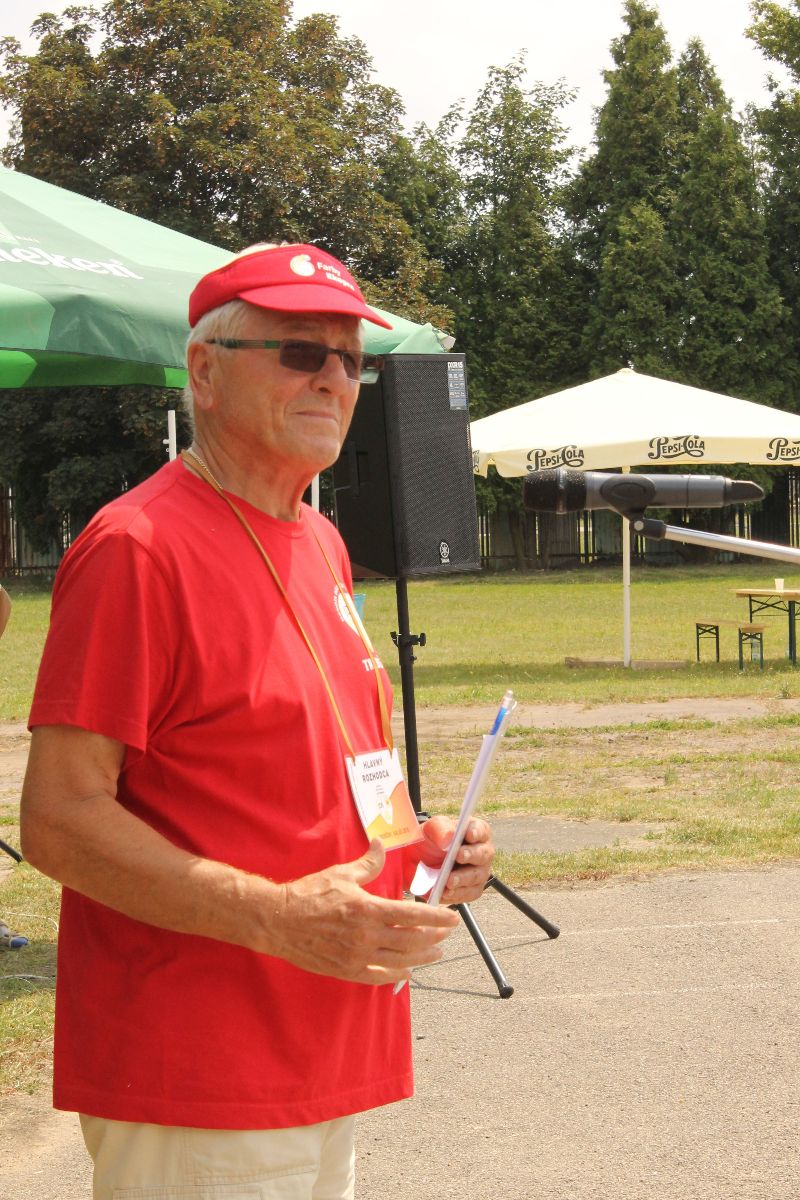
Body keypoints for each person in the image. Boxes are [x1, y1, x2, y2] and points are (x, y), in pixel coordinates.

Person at [21, 242, 495, 1199]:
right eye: (300, 352)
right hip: (203, 1065)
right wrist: (276, 916)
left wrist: (422, 849)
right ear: (204, 372)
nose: (334, 378)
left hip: (326, 1039)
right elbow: (59, 820)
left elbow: (339, 759)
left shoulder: (318, 539)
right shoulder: (136, 548)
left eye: (350, 360)